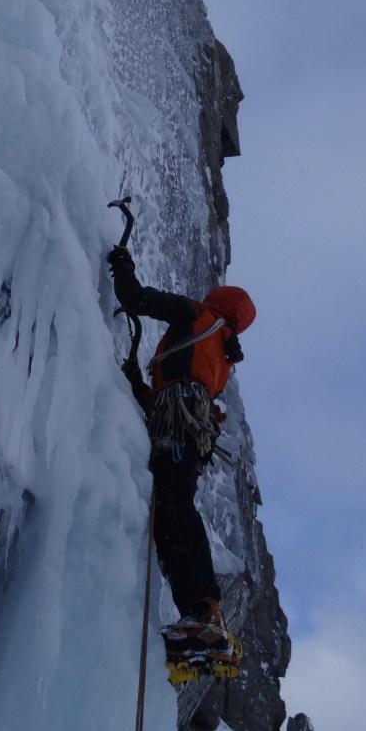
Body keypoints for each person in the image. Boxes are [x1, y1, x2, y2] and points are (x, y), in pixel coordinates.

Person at [107, 244, 256, 659]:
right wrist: (137, 385)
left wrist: (122, 263)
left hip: (177, 424)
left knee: (174, 511)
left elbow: (136, 299)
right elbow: (175, 391)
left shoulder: (197, 315)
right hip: (187, 432)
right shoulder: (221, 358)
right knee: (171, 514)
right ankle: (199, 613)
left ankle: (205, 612)